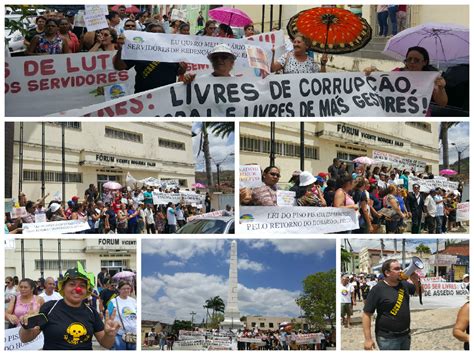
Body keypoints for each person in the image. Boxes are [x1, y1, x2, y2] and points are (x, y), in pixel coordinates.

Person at [19, 262, 120, 350]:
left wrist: (109, 335)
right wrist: (27, 326)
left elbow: (106, 344)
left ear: (87, 291)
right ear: (63, 287)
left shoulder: (92, 312)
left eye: (82, 286)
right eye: (72, 284)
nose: (78, 289)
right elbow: (25, 339)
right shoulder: (49, 308)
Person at [363, 259, 421, 350]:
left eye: (400, 268)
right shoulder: (377, 289)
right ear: (387, 272)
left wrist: (416, 281)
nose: (401, 271)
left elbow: (420, 292)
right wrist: (368, 339)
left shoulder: (404, 284)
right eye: (397, 269)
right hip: (387, 338)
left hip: (405, 335)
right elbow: (366, 314)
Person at [113, 23, 187, 93]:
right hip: (145, 97)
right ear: (146, 35)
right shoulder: (138, 49)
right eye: (153, 32)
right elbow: (119, 67)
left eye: (160, 32)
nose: (157, 34)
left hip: (167, 95)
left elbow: (178, 72)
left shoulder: (172, 50)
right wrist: (120, 50)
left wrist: (183, 69)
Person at [365, 46, 448, 109]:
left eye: (416, 60)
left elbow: (442, 103)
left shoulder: (431, 79)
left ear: (424, 62)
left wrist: (441, 88)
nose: (412, 62)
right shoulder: (397, 72)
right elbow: (384, 79)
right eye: (409, 59)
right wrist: (373, 72)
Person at [107, 281, 137, 350]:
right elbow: (108, 318)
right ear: (119, 289)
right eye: (123, 288)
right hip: (119, 334)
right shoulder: (113, 302)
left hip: (133, 335)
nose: (126, 290)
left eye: (128, 288)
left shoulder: (133, 301)